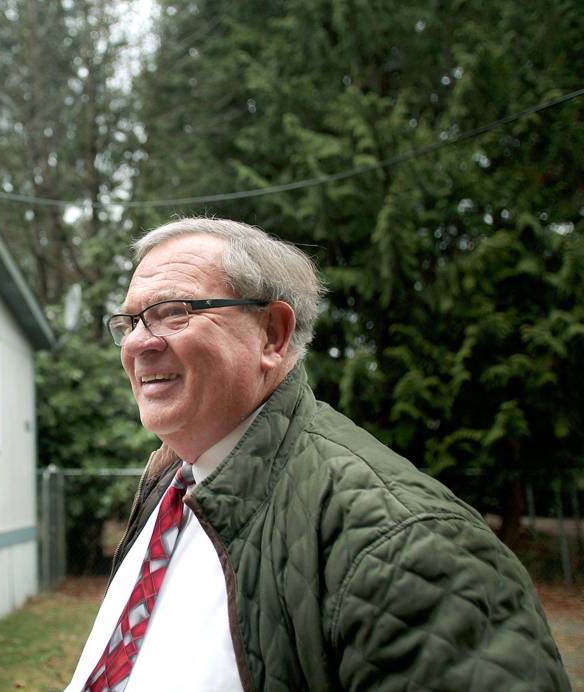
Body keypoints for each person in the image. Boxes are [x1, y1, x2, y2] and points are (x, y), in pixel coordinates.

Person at [66, 218, 569, 691]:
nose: (137, 344)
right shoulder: (172, 485)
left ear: (273, 334)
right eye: (130, 322)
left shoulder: (404, 541)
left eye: (173, 312)